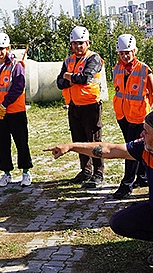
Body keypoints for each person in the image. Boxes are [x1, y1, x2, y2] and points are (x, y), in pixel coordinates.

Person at [44, 110, 153, 273]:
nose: (142, 134)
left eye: (146, 132)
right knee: (120, 222)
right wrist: (71, 146)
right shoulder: (146, 148)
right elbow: (109, 149)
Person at [56, 26, 105, 188]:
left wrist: (69, 77)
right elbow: (59, 83)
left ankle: (98, 172)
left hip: (90, 106)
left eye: (81, 43)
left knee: (94, 140)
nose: (77, 46)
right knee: (78, 141)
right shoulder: (69, 60)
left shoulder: (94, 58)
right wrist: (72, 78)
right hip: (74, 106)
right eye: (74, 43)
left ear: (87, 43)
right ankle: (85, 170)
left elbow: (85, 78)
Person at [111, 33, 153, 199]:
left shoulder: (144, 69)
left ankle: (126, 184)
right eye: (122, 53)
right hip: (122, 115)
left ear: (134, 51)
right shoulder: (117, 68)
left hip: (138, 116)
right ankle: (142, 177)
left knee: (130, 150)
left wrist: (145, 108)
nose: (125, 56)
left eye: (127, 52)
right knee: (138, 147)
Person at [0, 32, 33, 187]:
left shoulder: (16, 65)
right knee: (2, 143)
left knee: (21, 142)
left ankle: (26, 172)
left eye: (2, 48)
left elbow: (18, 86)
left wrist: (5, 104)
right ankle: (6, 173)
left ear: (8, 48)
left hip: (15, 111)